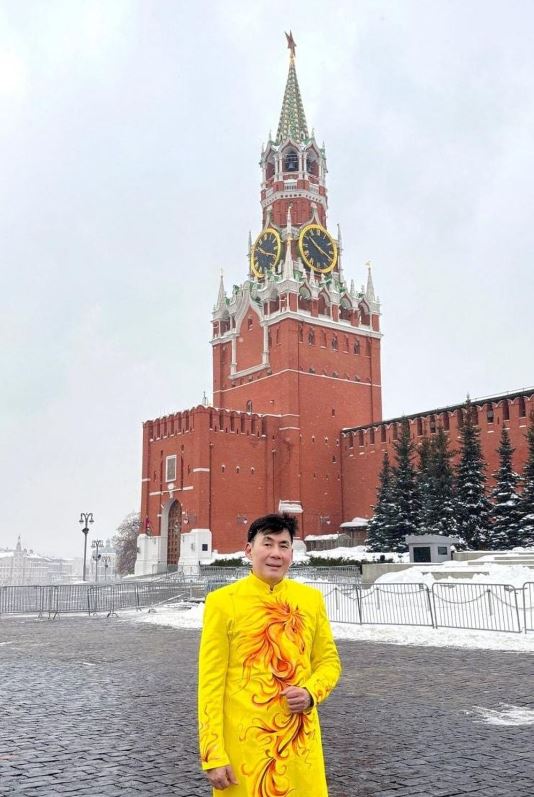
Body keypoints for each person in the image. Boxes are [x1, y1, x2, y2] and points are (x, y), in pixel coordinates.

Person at [198, 513, 341, 796]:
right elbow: (210, 684)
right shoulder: (222, 603)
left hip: (300, 745)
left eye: (284, 545)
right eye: (268, 543)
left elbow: (329, 662)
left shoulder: (310, 600)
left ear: (292, 554)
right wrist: (212, 753)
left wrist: (310, 693)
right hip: (245, 750)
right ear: (249, 550)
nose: (276, 553)